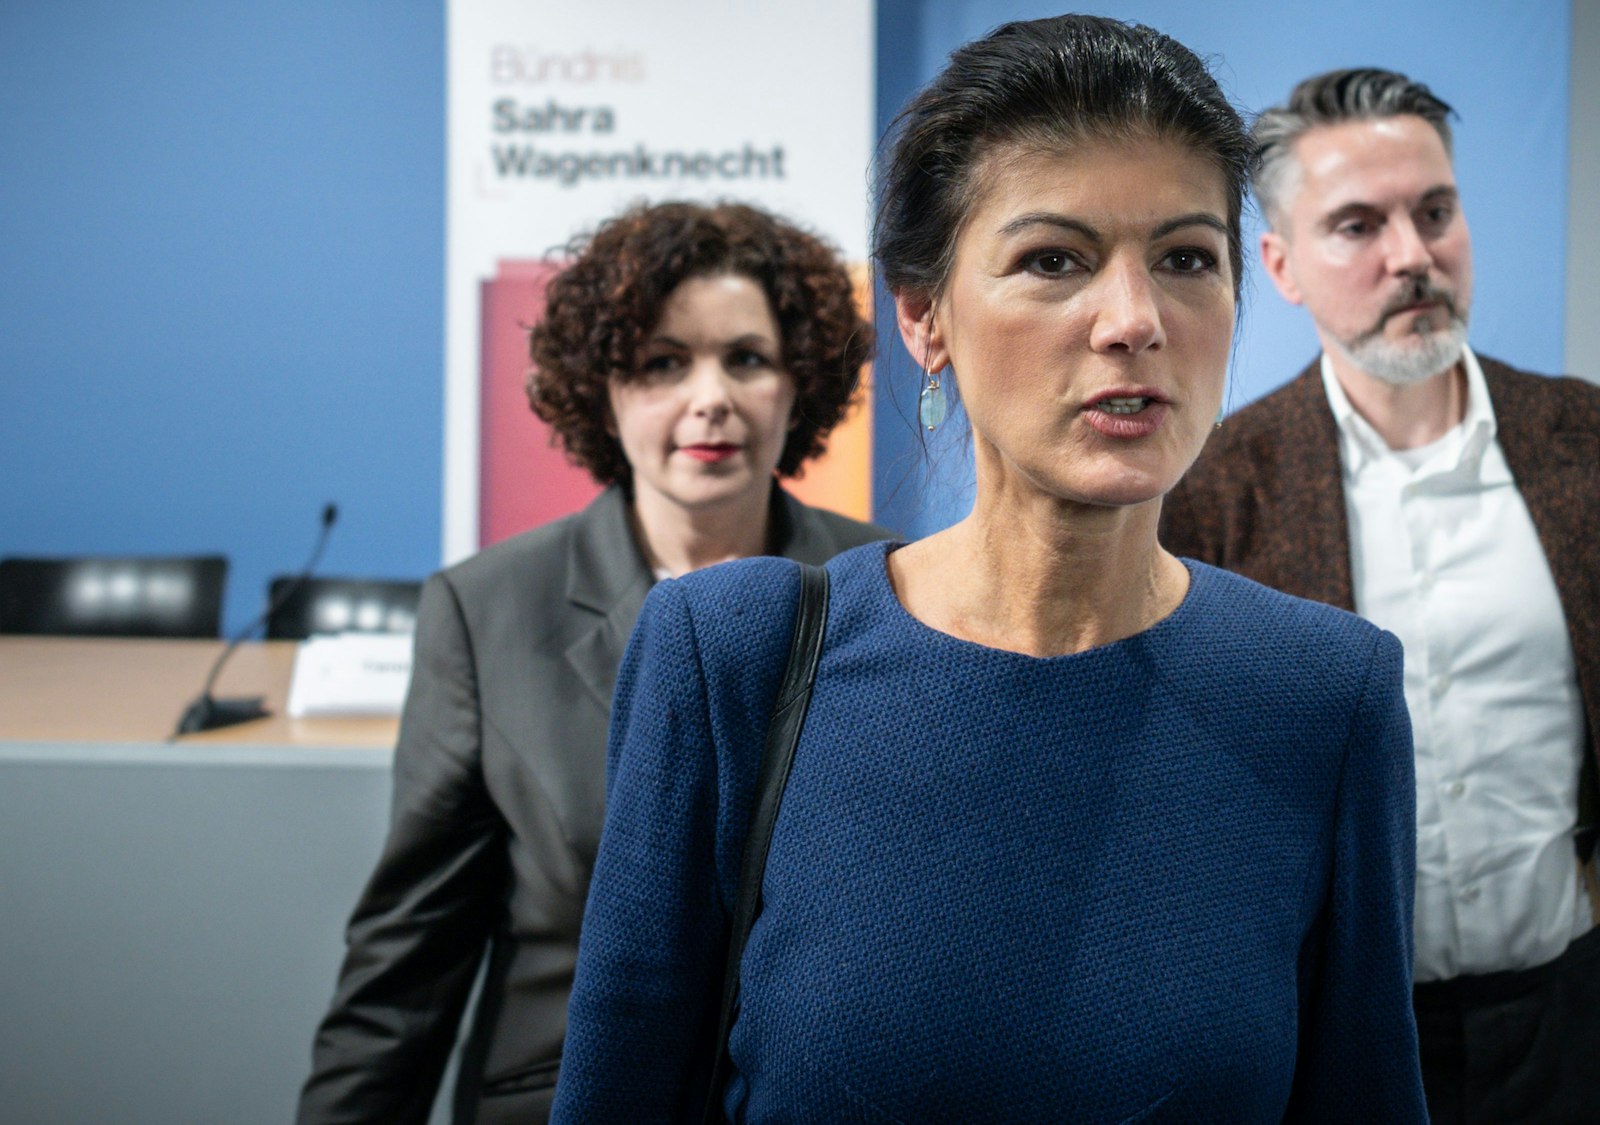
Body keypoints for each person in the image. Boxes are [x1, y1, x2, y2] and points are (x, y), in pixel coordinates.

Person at [552, 17, 1426, 1124]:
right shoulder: (729, 654)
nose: (1133, 320)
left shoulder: (1323, 693)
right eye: (1052, 260)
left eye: (1185, 258)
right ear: (924, 316)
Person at [1162, 68, 1600, 1123]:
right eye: (1357, 225)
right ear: (1281, 267)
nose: (1411, 256)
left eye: (1434, 212)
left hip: (1597, 1014)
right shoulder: (1211, 494)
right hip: (1346, 1033)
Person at [298, 201, 890, 1124]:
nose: (711, 398)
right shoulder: (486, 609)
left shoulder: (891, 589)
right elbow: (404, 972)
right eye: (663, 362)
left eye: (747, 358)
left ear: (798, 383)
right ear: (602, 389)